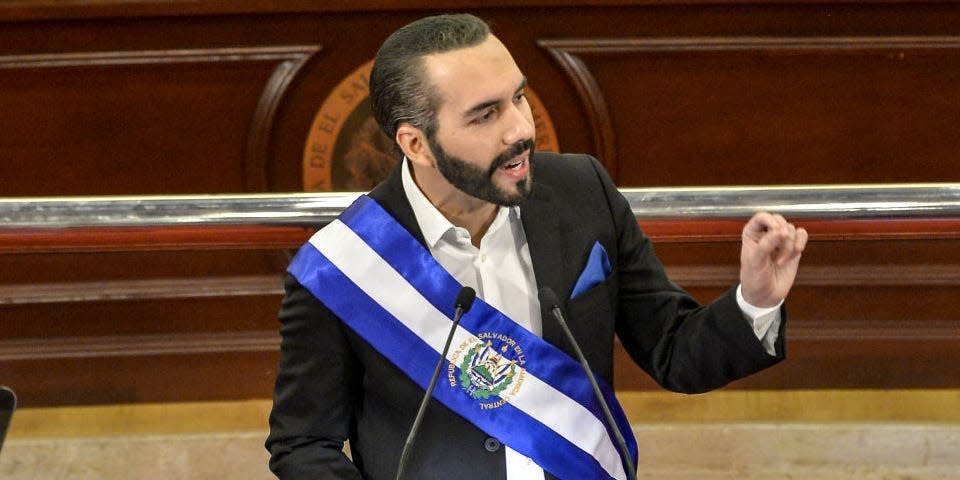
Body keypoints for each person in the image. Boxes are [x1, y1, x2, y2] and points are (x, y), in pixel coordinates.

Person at [265, 13, 807, 480]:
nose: (520, 130)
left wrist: (755, 300)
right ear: (416, 143)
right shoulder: (345, 265)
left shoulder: (582, 192)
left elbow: (674, 352)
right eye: (485, 115)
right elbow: (304, 444)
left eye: (518, 98)